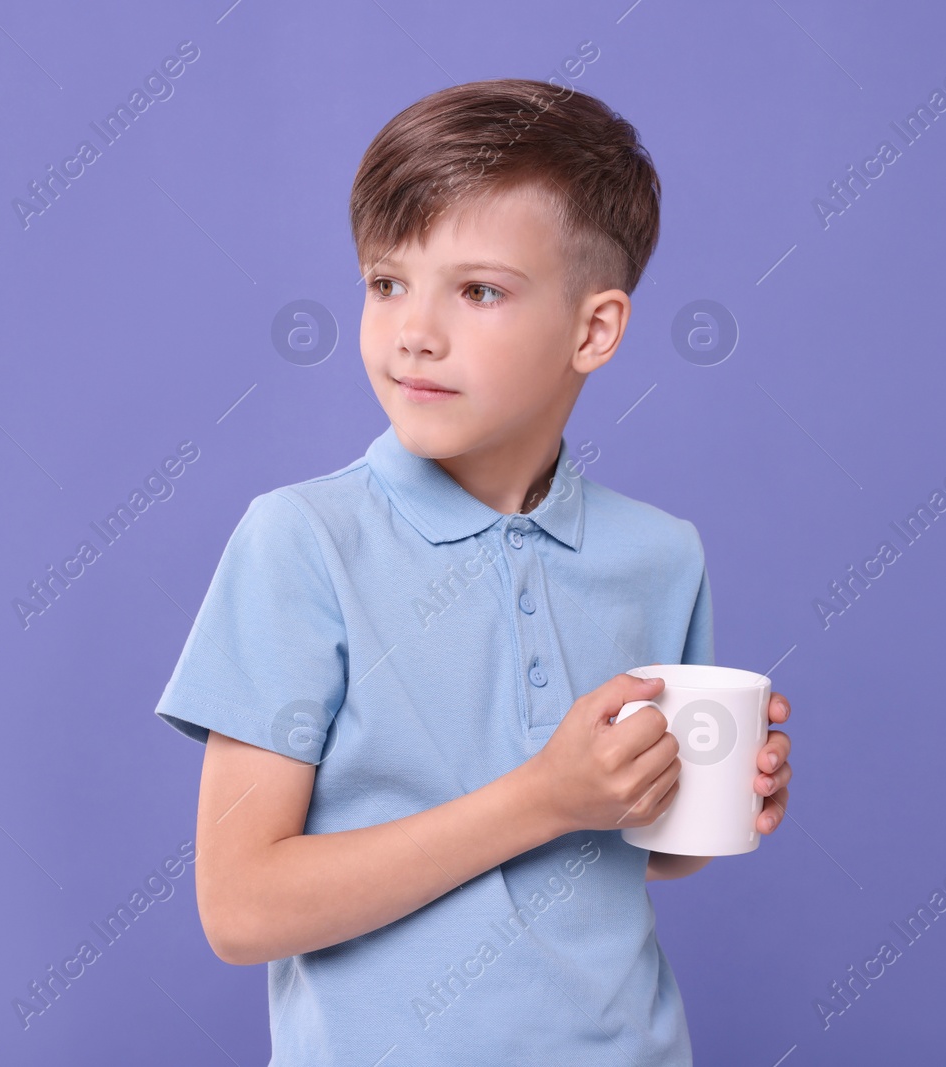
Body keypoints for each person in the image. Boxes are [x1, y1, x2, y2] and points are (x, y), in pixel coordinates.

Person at [152, 76, 794, 1065]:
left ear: (594, 329)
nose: (414, 329)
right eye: (386, 281)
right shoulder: (302, 541)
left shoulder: (660, 555)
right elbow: (239, 906)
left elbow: (645, 854)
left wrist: (709, 803)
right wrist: (544, 795)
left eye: (479, 289)